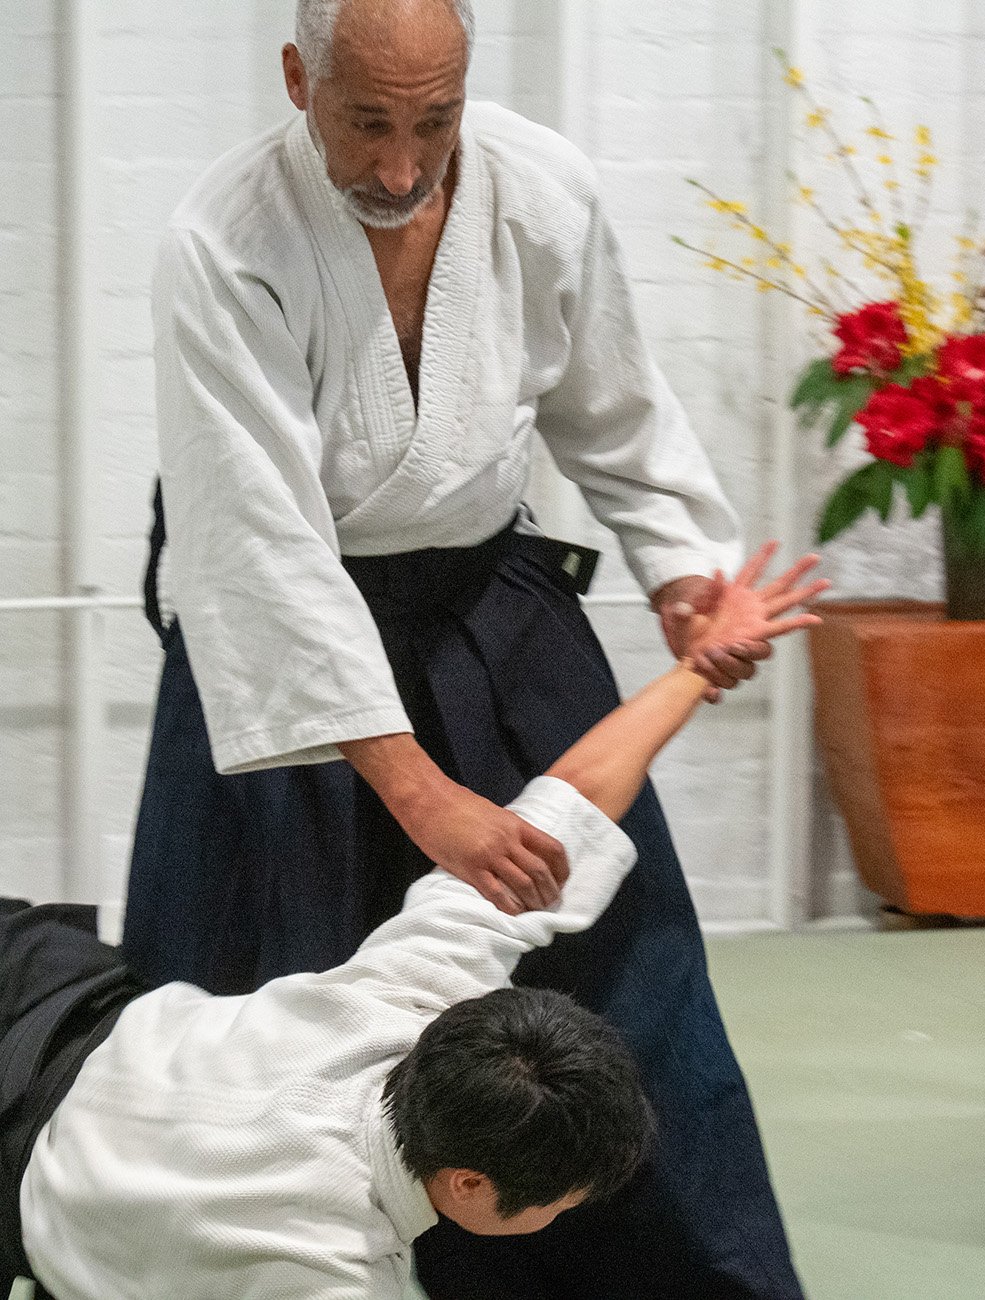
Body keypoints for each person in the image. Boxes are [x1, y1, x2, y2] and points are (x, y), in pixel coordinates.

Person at [122, 0, 815, 1295]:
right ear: (297, 79)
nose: (400, 165)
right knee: (271, 996)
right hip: (285, 635)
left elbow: (616, 406)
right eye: (365, 122)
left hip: (489, 604)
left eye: (432, 122)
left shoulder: (541, 188)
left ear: (467, 87)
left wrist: (682, 574)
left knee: (612, 961)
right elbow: (258, 550)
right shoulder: (224, 240)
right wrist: (423, 793)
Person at [2, 555, 824, 1300]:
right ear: (468, 1185)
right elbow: (571, 801)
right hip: (31, 1162)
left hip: (40, 984)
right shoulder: (330, 1269)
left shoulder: (415, 991)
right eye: (559, 1204)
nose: (569, 1213)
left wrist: (693, 671)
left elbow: (567, 802)